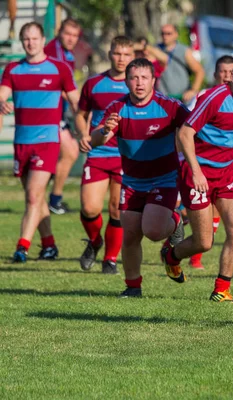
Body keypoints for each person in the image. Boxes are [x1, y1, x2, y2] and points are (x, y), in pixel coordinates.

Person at [162, 53, 233, 303]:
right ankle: (172, 256)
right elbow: (185, 134)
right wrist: (196, 170)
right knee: (204, 242)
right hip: (198, 172)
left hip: (227, 172)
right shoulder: (213, 98)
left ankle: (221, 289)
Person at [89, 58, 188, 298]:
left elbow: (194, 128)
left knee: (153, 232)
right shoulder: (117, 108)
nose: (139, 83)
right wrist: (104, 131)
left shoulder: (170, 106)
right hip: (132, 181)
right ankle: (133, 287)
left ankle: (175, 222)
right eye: (134, 78)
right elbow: (95, 140)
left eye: (144, 78)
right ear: (126, 81)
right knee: (131, 233)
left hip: (163, 178)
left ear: (153, 80)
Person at [0, 22, 79, 262]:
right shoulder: (13, 69)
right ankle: (49, 245)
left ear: (43, 39)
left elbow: (77, 103)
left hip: (47, 141)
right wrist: (2, 103)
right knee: (35, 197)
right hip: (21, 142)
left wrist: (86, 131)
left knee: (33, 197)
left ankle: (21, 247)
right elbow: (1, 95)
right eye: (26, 39)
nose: (30, 43)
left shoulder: (60, 69)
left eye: (34, 38)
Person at [75, 36, 135, 274]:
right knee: (89, 209)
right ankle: (95, 241)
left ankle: (110, 259)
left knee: (116, 209)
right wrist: (83, 134)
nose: (121, 59)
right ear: (110, 54)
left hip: (125, 156)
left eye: (126, 54)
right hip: (98, 152)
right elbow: (81, 114)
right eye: (117, 53)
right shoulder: (94, 84)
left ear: (133, 57)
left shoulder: (138, 84)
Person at [187, 55, 233, 270]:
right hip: (200, 164)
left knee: (216, 210)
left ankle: (196, 257)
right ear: (215, 74)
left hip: (227, 165)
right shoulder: (202, 97)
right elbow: (185, 131)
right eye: (222, 71)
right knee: (194, 212)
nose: (226, 76)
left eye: (230, 72)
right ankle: (178, 237)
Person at [44, 17, 82, 215]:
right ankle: (52, 200)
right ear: (59, 32)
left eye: (75, 35)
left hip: (58, 112)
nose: (71, 38)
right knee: (70, 152)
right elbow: (53, 84)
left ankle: (51, 200)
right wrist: (77, 103)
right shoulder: (53, 52)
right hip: (48, 114)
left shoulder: (68, 54)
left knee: (65, 153)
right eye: (67, 33)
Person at [156, 23, 205, 107]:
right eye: (163, 33)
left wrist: (193, 90)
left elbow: (199, 71)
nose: (165, 36)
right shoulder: (156, 49)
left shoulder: (184, 51)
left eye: (169, 33)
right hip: (162, 100)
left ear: (176, 34)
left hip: (181, 100)